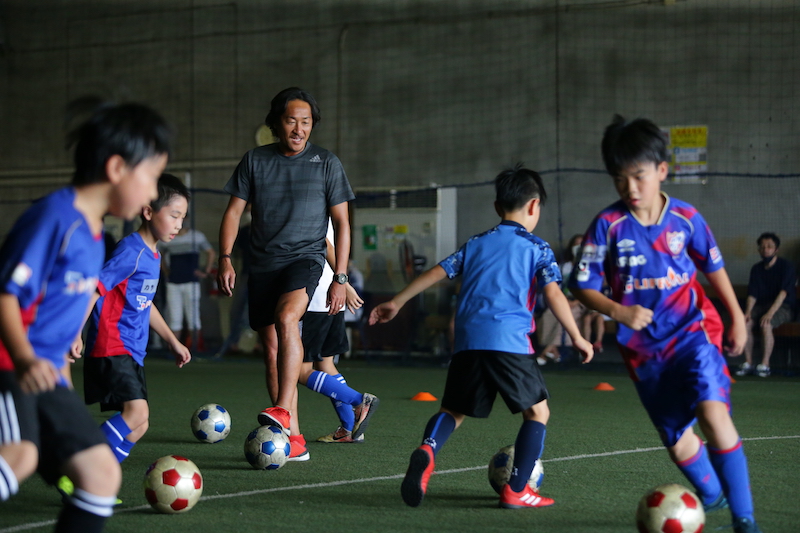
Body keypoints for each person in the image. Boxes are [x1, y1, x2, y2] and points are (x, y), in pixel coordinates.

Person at [569, 115, 761, 533]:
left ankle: (745, 520)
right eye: (619, 180)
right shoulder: (607, 226)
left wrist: (737, 318)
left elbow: (714, 268)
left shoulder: (687, 217)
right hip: (644, 351)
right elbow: (582, 285)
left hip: (694, 332)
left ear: (661, 170)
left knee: (713, 414)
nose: (630, 189)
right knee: (677, 440)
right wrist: (619, 312)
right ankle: (711, 497)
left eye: (638, 176)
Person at [369, 165, 593, 509]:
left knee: (453, 410)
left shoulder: (476, 243)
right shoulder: (537, 247)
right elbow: (554, 295)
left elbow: (437, 272)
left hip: (468, 341)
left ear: (496, 206)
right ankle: (517, 490)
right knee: (538, 414)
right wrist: (577, 336)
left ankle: (427, 448)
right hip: (510, 342)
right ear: (534, 206)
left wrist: (397, 301)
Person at [0, 99, 170, 532]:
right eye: (150, 176)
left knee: (100, 474)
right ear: (117, 168)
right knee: (20, 456)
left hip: (44, 377)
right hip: (8, 367)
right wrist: (23, 360)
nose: (153, 192)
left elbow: (54, 329)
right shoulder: (55, 218)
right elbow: (5, 296)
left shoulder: (96, 236)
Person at [217, 87, 359, 460]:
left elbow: (343, 224)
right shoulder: (255, 161)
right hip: (262, 263)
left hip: (306, 259)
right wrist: (226, 257)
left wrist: (340, 278)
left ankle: (279, 408)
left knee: (287, 317)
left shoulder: (327, 163)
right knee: (271, 352)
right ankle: (293, 438)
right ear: (276, 124)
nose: (299, 129)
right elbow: (233, 213)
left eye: (306, 122)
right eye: (291, 121)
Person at [69, 174, 192, 479]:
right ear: (148, 212)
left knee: (139, 425)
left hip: (132, 350)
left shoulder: (151, 254)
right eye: (174, 215)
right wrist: (75, 333)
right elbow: (96, 289)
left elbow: (144, 303)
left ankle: (91, 479)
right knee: (136, 414)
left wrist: (173, 341)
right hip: (112, 345)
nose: (179, 224)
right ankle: (79, 469)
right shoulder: (131, 251)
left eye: (183, 217)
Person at [295, 221, 376, 446]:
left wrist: (345, 283)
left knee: (299, 371)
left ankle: (360, 401)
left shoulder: (311, 206)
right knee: (326, 365)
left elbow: (324, 244)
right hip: (333, 298)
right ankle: (348, 429)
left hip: (313, 297)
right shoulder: (332, 210)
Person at [736, 232, 796, 378]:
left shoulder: (787, 267)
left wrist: (769, 314)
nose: (765, 250)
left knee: (766, 324)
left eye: (769, 247)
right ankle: (748, 363)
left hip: (783, 307)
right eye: (762, 247)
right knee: (746, 323)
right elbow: (752, 294)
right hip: (761, 306)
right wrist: (748, 313)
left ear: (776, 250)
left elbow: (783, 293)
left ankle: (765, 365)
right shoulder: (756, 269)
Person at [159, 225, 215, 351]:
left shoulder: (197, 236)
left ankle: (195, 347)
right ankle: (174, 348)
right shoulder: (168, 236)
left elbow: (210, 252)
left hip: (191, 282)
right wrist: (165, 270)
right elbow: (159, 252)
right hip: (173, 281)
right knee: (174, 317)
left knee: (193, 316)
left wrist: (206, 271)